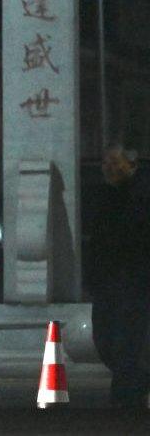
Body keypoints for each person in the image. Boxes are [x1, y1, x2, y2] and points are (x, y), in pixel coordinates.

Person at [88, 144, 150, 408]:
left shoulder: (141, 194)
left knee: (127, 340)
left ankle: (128, 393)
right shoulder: (107, 195)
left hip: (134, 278)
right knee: (106, 337)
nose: (109, 168)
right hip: (110, 280)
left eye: (116, 163)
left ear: (132, 165)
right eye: (106, 163)